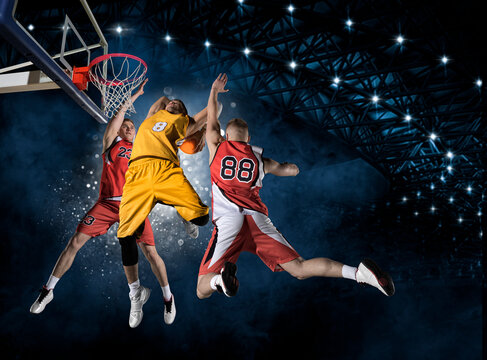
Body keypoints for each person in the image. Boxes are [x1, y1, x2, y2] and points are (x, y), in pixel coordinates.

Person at [196, 74, 395, 299]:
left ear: (225, 136)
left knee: (202, 289)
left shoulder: (216, 145)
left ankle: (219, 280)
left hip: (228, 221)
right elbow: (289, 170)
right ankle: (359, 273)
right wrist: (291, 168)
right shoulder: (261, 160)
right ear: (249, 138)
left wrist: (214, 90)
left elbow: (212, 117)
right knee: (299, 269)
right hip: (257, 220)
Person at [30, 79, 177, 327]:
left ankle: (167, 298)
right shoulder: (112, 143)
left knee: (151, 253)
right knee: (75, 242)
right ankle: (48, 290)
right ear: (118, 130)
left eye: (133, 126)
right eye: (126, 126)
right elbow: (118, 118)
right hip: (107, 204)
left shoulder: (141, 148)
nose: (130, 128)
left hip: (133, 206)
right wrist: (133, 97)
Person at [116, 89, 212, 327]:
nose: (172, 103)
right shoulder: (151, 117)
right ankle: (135, 293)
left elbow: (212, 111)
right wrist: (171, 103)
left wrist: (214, 93)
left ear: (184, 113)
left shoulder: (184, 123)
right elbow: (160, 100)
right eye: (171, 102)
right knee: (125, 237)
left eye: (178, 103)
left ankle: (185, 213)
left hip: (165, 170)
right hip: (137, 173)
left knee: (201, 218)